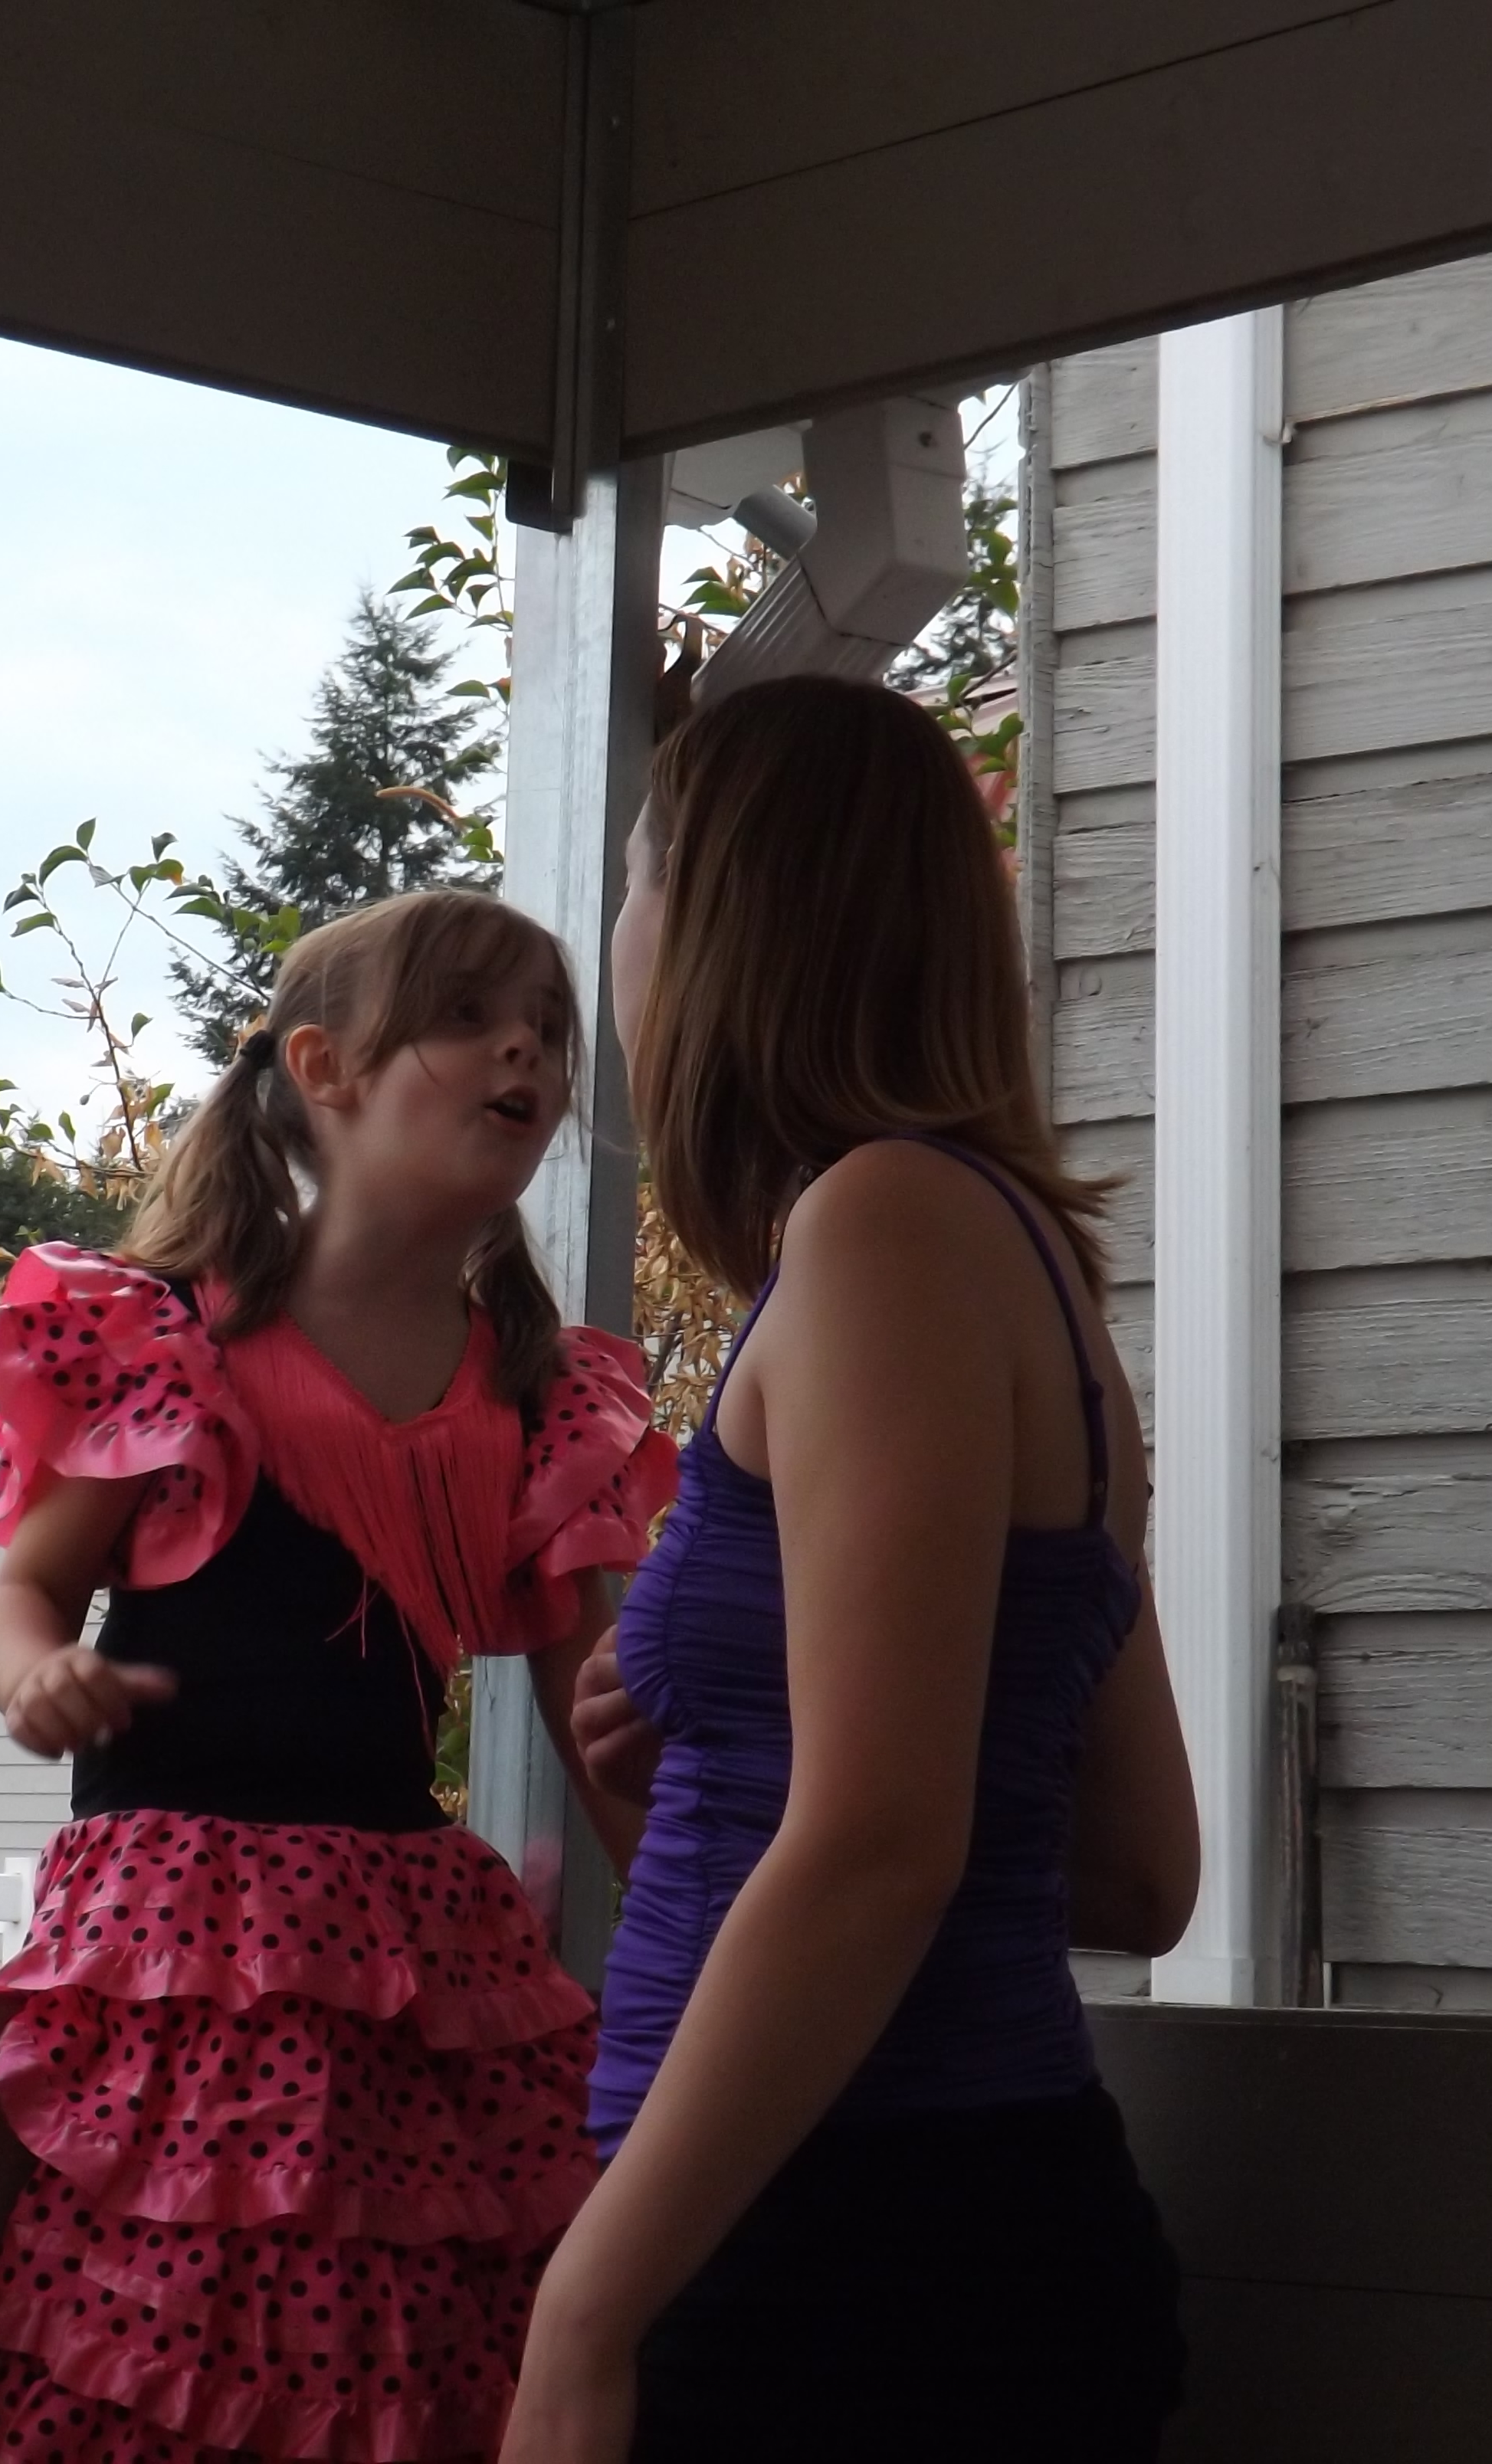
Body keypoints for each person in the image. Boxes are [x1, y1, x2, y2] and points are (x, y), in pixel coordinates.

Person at [503, 676, 1202, 2462]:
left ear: (721, 919)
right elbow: (1131, 1868)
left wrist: (580, 2318)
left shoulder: (880, 1228)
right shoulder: (1018, 1264)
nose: (615, 943)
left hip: (843, 2262)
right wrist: (715, 1767)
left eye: (635, 878)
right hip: (944, 2225)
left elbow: (885, 1843)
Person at [0, 888, 678, 2464]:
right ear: (324, 1069)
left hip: (414, 1936)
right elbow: (25, 1593)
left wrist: (697, 1952)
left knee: (427, 2333)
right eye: (469, 1019)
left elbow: (600, 1728)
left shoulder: (535, 1393)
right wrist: (32, 1676)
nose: (525, 1053)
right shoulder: (170, 1341)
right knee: (190, 2311)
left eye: (546, 1032)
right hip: (187, 1929)